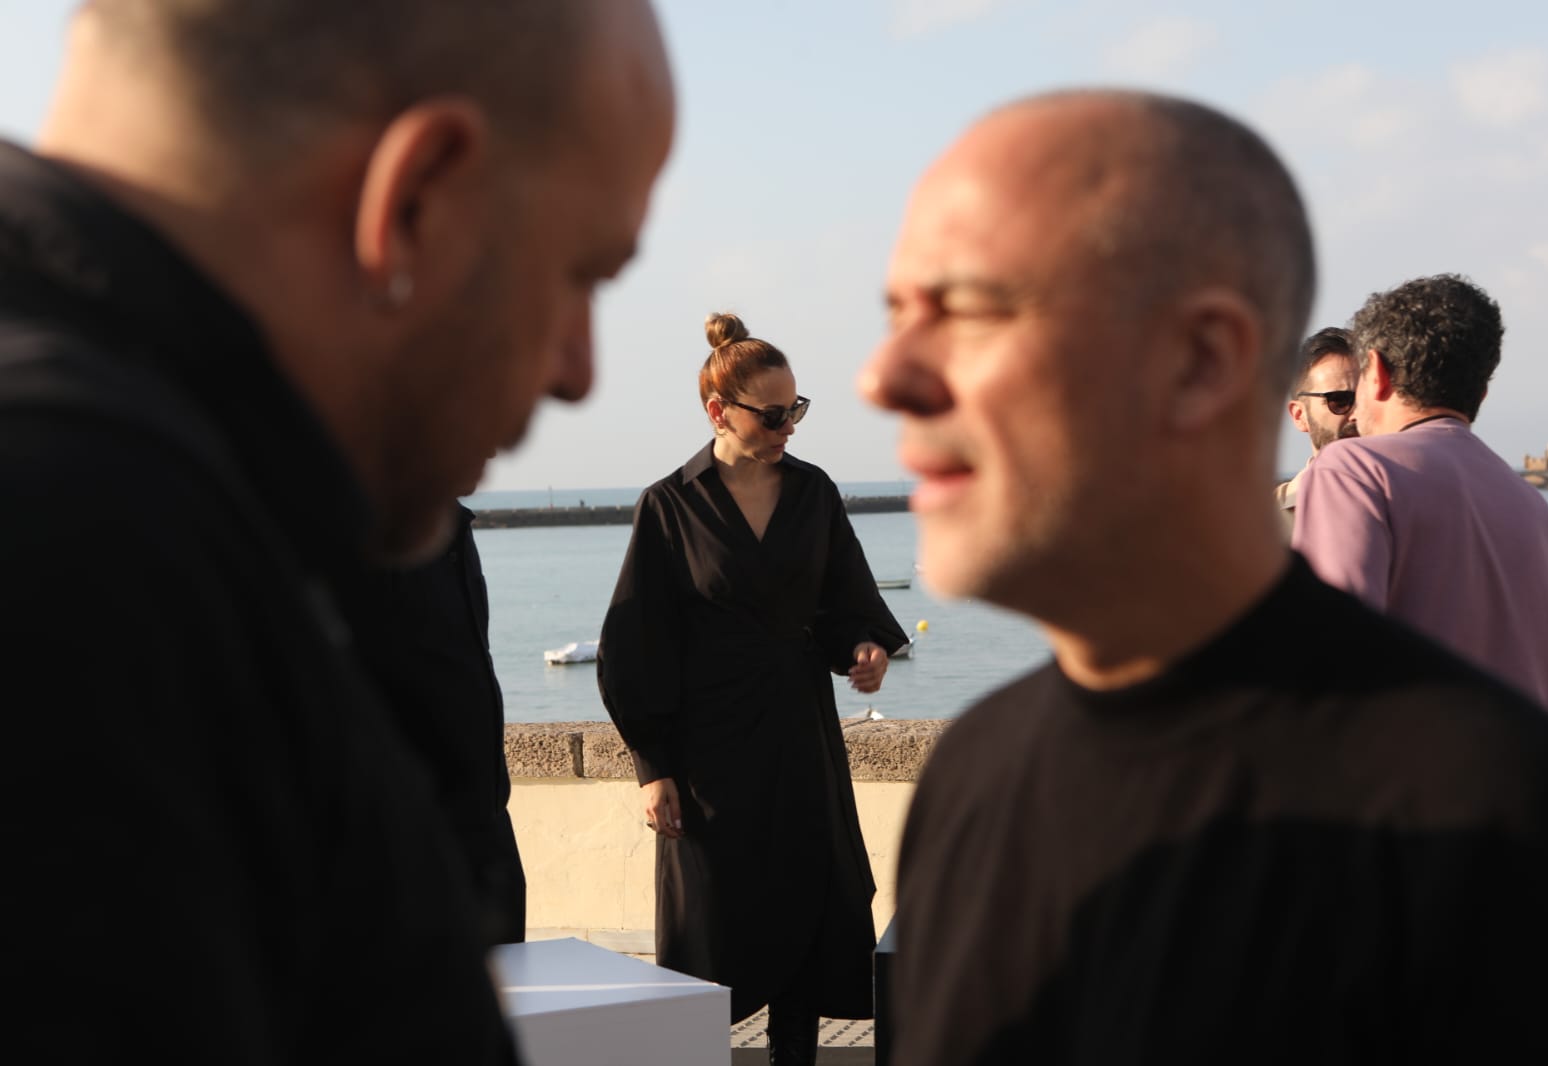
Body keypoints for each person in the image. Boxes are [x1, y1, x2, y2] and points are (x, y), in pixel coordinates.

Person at [857, 88, 1548, 1064]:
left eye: (972, 311)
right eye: (900, 314)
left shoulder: (1495, 809)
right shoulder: (975, 779)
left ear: (1204, 361)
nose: (884, 377)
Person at [0, 2, 673, 1062]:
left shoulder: (193, 505)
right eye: (580, 274)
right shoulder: (90, 542)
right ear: (415, 201)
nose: (579, 371)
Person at [597, 312, 908, 1066]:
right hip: (708, 764)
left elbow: (847, 605)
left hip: (801, 744)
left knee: (807, 935)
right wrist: (653, 768)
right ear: (718, 412)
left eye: (795, 410)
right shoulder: (669, 506)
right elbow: (635, 647)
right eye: (772, 415)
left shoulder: (814, 494)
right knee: (714, 943)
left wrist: (864, 650)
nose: (787, 428)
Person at [1294, 275, 1548, 724]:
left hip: (1421, 786)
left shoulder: (1355, 471)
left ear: (1377, 372)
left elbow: (1330, 669)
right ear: (1480, 392)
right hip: (1544, 787)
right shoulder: (1531, 504)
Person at [333, 502, 526, 947]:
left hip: (488, 825)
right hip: (416, 844)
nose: (500, 447)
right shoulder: (371, 538)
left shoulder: (455, 531)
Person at [1274, 325, 1357, 527]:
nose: (1358, 413)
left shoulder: (1416, 500)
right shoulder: (1263, 525)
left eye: (1367, 399)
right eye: (1339, 400)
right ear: (1300, 415)